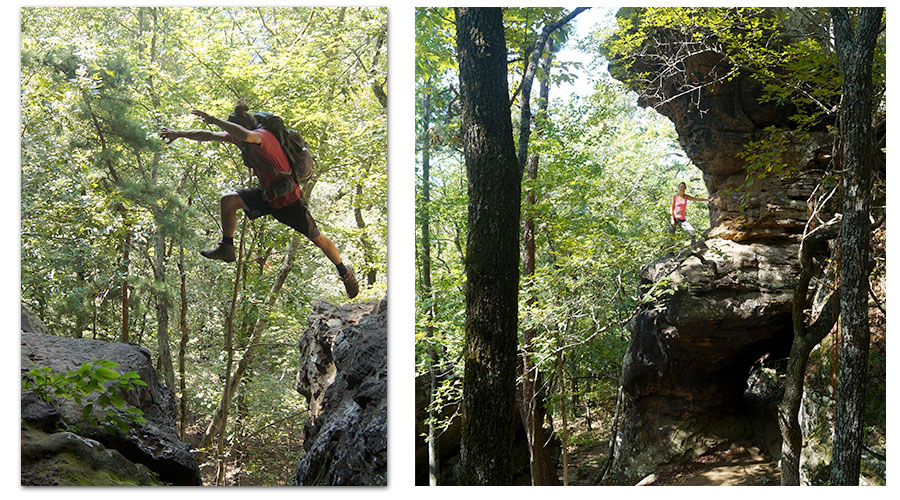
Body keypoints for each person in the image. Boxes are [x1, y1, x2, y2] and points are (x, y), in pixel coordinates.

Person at [160, 103, 359, 299]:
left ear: (244, 126)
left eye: (235, 127)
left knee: (318, 239)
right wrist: (178, 133)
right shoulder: (245, 139)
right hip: (267, 195)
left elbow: (244, 135)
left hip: (289, 201)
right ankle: (227, 247)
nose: (233, 135)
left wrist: (213, 119)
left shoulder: (262, 137)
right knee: (228, 201)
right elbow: (210, 135)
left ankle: (344, 271)